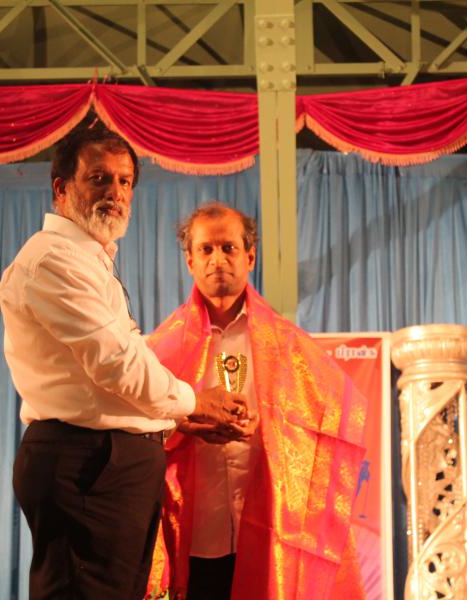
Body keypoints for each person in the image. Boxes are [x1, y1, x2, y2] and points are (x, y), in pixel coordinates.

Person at [0, 122, 248, 599]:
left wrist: (177, 421)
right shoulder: (53, 260)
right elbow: (116, 365)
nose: (115, 192)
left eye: (124, 181)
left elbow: (108, 378)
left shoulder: (92, 260)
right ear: (61, 188)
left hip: (108, 465)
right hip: (87, 465)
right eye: (99, 178)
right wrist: (195, 403)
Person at [145, 202, 367, 600]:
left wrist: (274, 428)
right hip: (199, 532)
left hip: (272, 529)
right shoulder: (161, 350)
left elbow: (336, 419)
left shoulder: (288, 345)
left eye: (228, 248)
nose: (217, 260)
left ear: (250, 257)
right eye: (206, 249)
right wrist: (183, 424)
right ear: (190, 261)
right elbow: (139, 429)